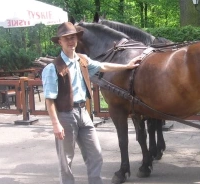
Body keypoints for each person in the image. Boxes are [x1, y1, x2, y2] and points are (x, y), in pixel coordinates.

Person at [41, 22, 140, 184]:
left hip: (83, 114)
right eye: (66, 39)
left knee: (95, 154)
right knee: (66, 160)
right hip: (65, 115)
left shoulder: (83, 60)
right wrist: (55, 124)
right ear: (60, 42)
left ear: (77, 39)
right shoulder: (52, 68)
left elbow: (103, 66)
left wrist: (126, 66)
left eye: (72, 37)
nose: (70, 41)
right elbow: (49, 99)